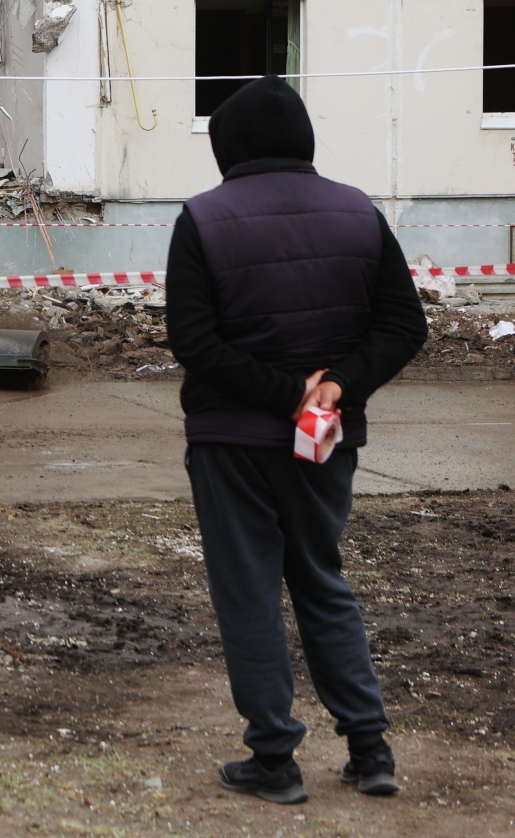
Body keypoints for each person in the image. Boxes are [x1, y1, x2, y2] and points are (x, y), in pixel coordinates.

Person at [165, 76, 428, 805]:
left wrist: (285, 394)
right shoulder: (359, 212)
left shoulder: (203, 218)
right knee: (321, 577)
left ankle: (275, 758)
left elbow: (193, 341)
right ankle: (370, 748)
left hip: (231, 442)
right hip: (325, 440)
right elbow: (406, 326)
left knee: (249, 590)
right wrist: (335, 387)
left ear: (227, 147)